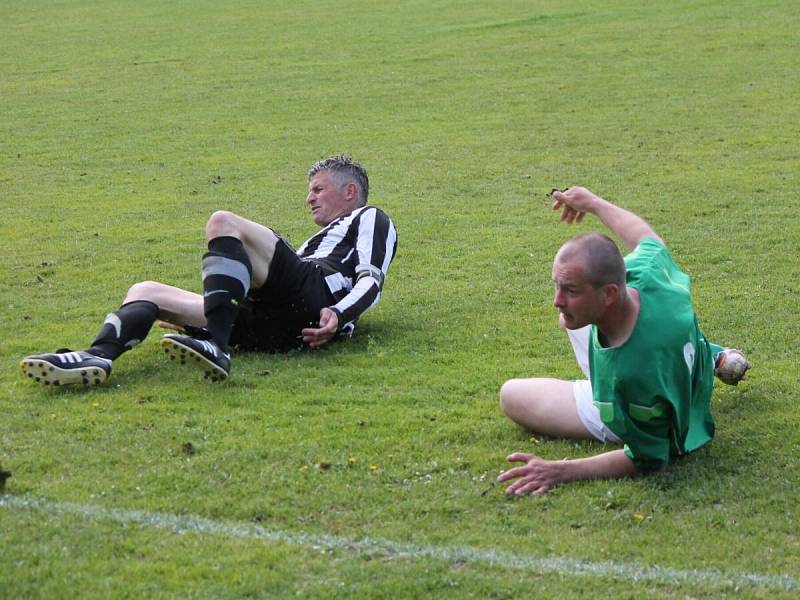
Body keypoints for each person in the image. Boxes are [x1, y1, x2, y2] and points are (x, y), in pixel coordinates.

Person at [20, 155, 397, 386]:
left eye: (317, 189)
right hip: (274, 327)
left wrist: (340, 313)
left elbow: (371, 279)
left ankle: (216, 345)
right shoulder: (312, 243)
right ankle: (98, 355)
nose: (309, 198)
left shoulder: (369, 217)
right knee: (146, 290)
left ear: (349, 193)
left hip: (316, 301)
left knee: (222, 222)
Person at [497, 186, 750, 496]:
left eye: (570, 290)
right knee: (571, 320)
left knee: (511, 395)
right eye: (557, 287)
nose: (557, 300)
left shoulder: (634, 374)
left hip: (642, 390)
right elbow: (646, 238)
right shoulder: (646, 276)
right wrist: (591, 203)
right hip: (678, 359)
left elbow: (650, 456)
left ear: (610, 294)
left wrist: (560, 470)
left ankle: (702, 358)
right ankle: (708, 355)